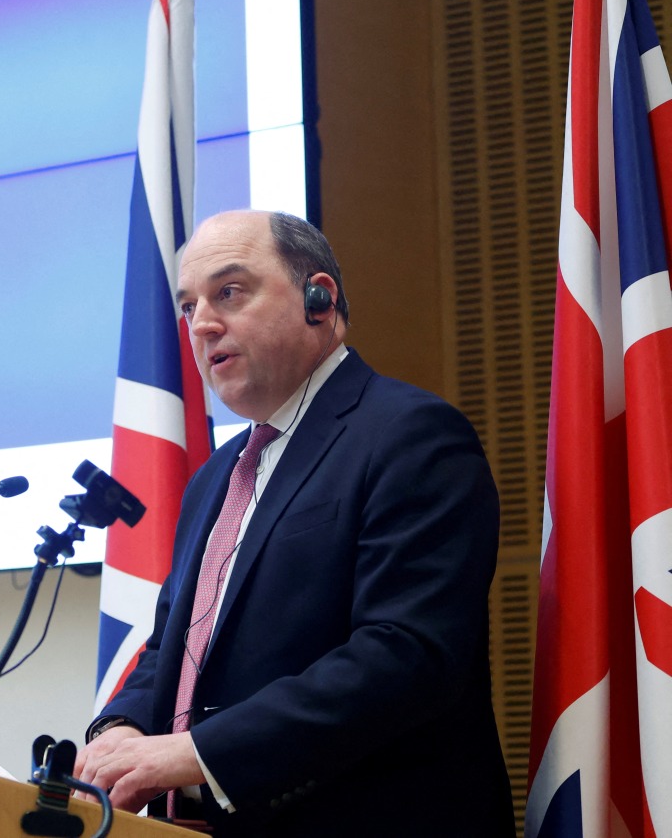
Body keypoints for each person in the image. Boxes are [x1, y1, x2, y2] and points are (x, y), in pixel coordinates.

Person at [73, 210, 515, 836]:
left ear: (318, 299)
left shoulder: (410, 434)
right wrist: (123, 727)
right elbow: (176, 644)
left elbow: (405, 653)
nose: (202, 323)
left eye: (230, 292)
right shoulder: (215, 476)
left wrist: (199, 754)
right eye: (189, 306)